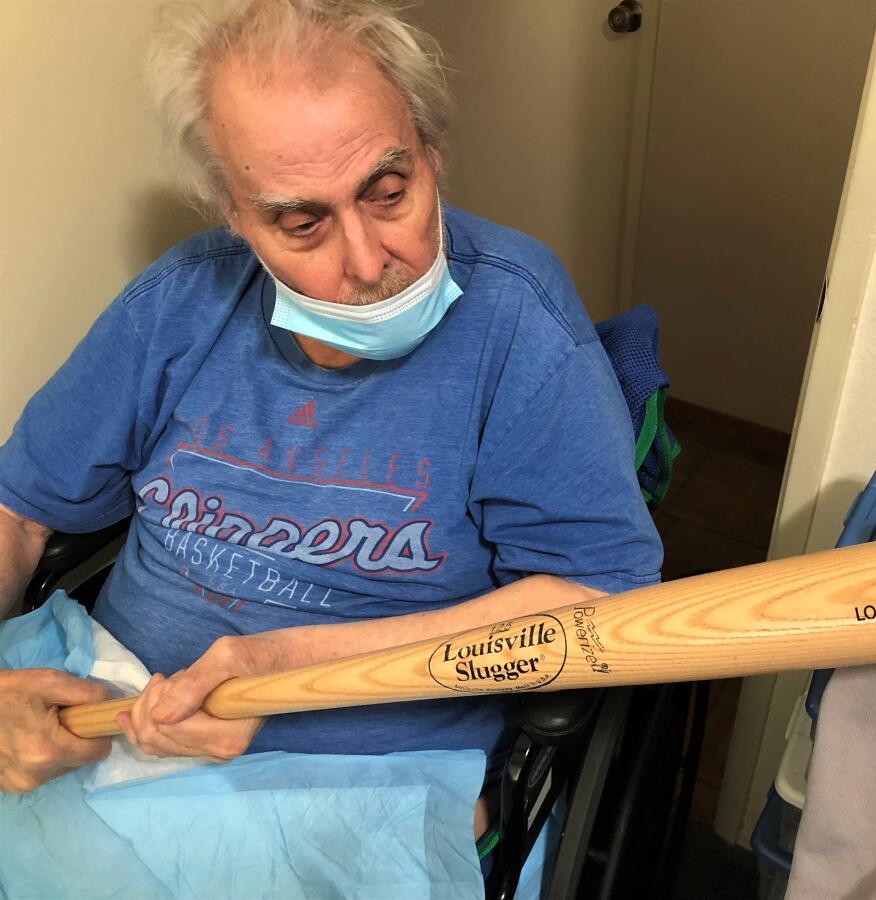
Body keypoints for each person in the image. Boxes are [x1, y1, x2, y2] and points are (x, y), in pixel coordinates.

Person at [0, 0, 662, 828]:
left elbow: (598, 600)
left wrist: (282, 665)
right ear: (234, 214)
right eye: (300, 222)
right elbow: (18, 514)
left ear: (433, 155)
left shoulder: (519, 324)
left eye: (389, 192)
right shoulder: (179, 302)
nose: (367, 261)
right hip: (103, 722)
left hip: (355, 789)